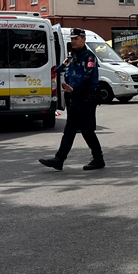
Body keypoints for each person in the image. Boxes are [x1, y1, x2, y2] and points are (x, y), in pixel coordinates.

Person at [40, 28, 105, 171]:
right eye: (72, 39)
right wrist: (65, 63)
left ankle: (98, 159)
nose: (73, 41)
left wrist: (74, 89)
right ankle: (59, 159)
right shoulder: (73, 56)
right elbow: (58, 71)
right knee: (69, 130)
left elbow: (87, 78)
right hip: (74, 99)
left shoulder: (89, 57)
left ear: (83, 39)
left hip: (86, 99)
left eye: (76, 39)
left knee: (87, 131)